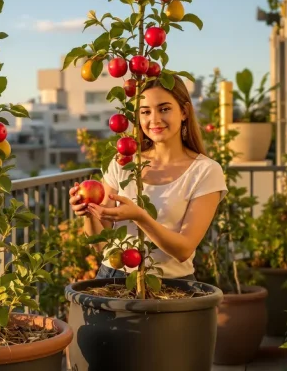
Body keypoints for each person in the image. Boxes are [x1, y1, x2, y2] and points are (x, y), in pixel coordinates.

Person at [68, 75, 228, 281]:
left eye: (164, 109)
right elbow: (101, 244)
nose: (154, 120)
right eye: (145, 112)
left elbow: (184, 250)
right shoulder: (123, 162)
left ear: (184, 112)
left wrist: (139, 216)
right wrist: (87, 212)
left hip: (171, 285)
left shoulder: (206, 171)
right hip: (112, 277)